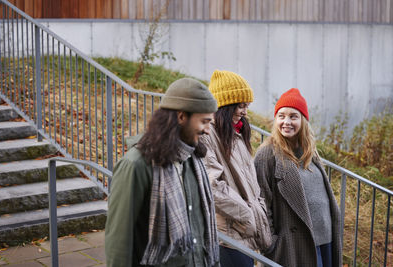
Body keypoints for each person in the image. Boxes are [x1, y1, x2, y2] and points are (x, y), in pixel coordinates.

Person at [105, 78, 220, 267]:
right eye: (205, 122)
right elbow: (119, 242)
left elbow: (202, 231)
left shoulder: (193, 160)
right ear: (181, 117)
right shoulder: (136, 165)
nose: (208, 130)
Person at [254, 88, 342, 267]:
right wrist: (271, 243)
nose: (286, 122)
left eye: (293, 116)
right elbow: (261, 202)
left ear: (303, 120)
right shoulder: (267, 155)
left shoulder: (309, 153)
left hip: (325, 241)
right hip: (294, 245)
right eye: (281, 116)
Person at [200, 70, 272, 267]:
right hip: (227, 236)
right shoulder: (207, 136)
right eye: (240, 106)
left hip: (243, 232)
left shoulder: (236, 134)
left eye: (246, 106)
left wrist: (258, 210)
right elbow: (211, 185)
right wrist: (247, 214)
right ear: (224, 105)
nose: (245, 112)